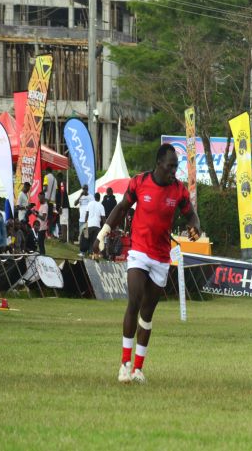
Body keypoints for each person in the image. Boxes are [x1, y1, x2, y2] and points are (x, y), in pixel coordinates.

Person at [93, 144, 200, 385]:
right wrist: (103, 234)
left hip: (162, 257)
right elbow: (121, 208)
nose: (175, 170)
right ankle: (124, 365)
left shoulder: (179, 190)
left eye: (176, 166)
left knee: (148, 314)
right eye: (171, 165)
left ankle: (138, 369)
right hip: (139, 252)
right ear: (159, 163)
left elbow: (191, 214)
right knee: (134, 300)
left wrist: (196, 226)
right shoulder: (139, 182)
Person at [86, 193, 106, 259]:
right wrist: (104, 227)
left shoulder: (90, 204)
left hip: (89, 225)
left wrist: (86, 224)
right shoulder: (101, 205)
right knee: (95, 241)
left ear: (94, 197)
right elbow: (103, 218)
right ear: (99, 198)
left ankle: (90, 253)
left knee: (89, 240)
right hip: (97, 225)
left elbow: (87, 214)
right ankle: (94, 254)